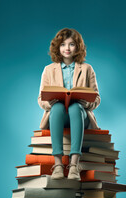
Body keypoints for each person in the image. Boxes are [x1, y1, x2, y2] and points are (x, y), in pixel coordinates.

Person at [38, 28, 101, 181]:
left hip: (79, 114)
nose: (67, 48)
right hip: (58, 114)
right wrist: (49, 102)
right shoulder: (48, 70)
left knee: (75, 107)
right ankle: (58, 165)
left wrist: (85, 101)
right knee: (58, 107)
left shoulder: (87, 69)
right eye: (63, 45)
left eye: (71, 44)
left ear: (77, 47)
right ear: (57, 48)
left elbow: (97, 98)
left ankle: (74, 165)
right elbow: (41, 98)